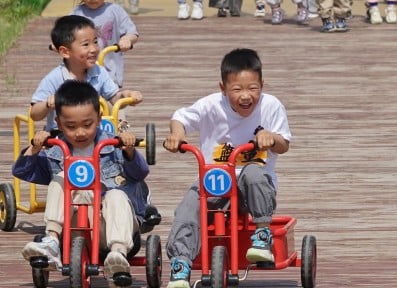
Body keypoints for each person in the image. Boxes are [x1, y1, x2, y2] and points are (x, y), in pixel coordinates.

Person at [162, 48, 291, 288]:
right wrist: (177, 135)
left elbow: (284, 144)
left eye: (253, 88)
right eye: (237, 90)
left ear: (262, 84)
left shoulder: (271, 106)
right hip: (215, 180)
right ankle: (180, 264)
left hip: (254, 187)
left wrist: (272, 138)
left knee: (252, 172)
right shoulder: (211, 105)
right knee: (189, 206)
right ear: (223, 88)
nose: (246, 96)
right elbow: (181, 117)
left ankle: (262, 234)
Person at [13, 80, 151, 285]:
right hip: (74, 226)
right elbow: (22, 171)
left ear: (99, 119)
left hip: (110, 229)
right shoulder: (55, 151)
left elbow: (140, 173)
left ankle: (118, 255)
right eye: (70, 126)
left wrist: (129, 150)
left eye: (87, 125)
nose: (80, 132)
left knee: (116, 194)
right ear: (59, 124)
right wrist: (35, 147)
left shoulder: (113, 147)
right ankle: (51, 238)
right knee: (61, 178)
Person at [29, 15, 143, 132]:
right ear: (65, 52)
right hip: (60, 134)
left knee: (123, 147)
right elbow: (34, 114)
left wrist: (127, 95)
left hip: (92, 134)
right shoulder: (54, 78)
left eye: (95, 42)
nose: (94, 49)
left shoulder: (99, 72)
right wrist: (47, 104)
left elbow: (114, 99)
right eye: (86, 45)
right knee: (36, 148)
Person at [70, 0, 139, 88]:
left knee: (109, 104)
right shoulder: (76, 14)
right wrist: (58, 44)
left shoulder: (115, 11)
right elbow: (63, 34)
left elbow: (132, 32)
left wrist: (126, 39)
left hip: (110, 72)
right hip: (83, 74)